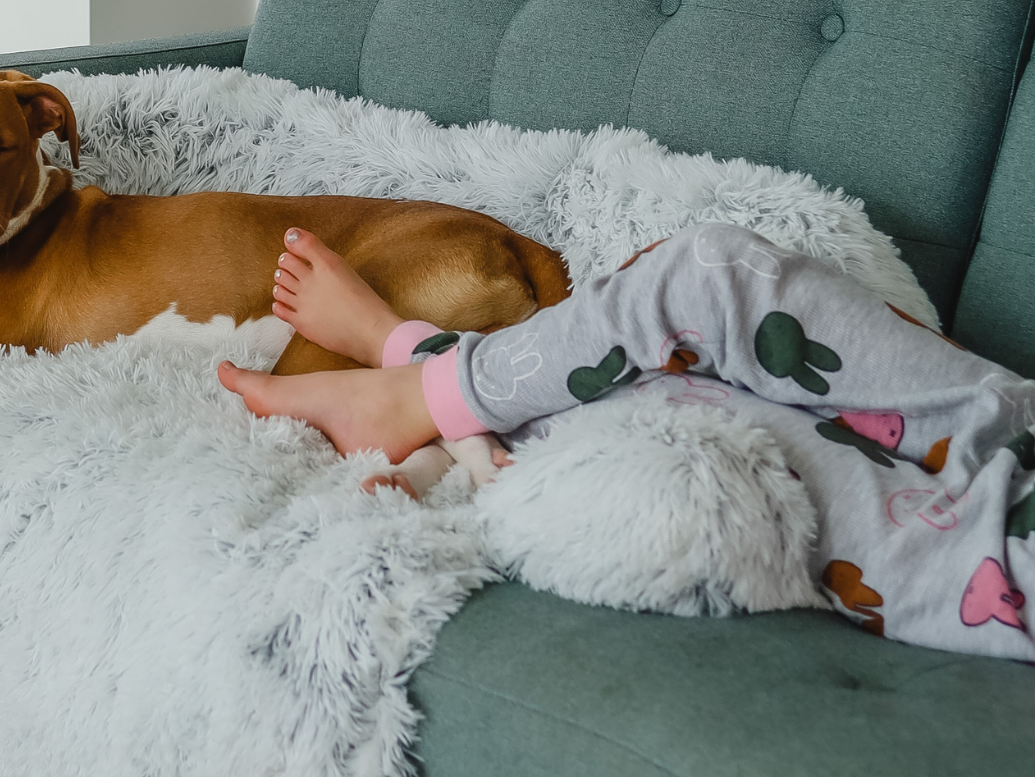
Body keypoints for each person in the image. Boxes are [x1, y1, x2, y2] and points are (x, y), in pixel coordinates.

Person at [217, 222, 1035, 662]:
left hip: (985, 559)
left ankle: (419, 374)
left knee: (702, 435)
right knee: (712, 281)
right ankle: (424, 378)